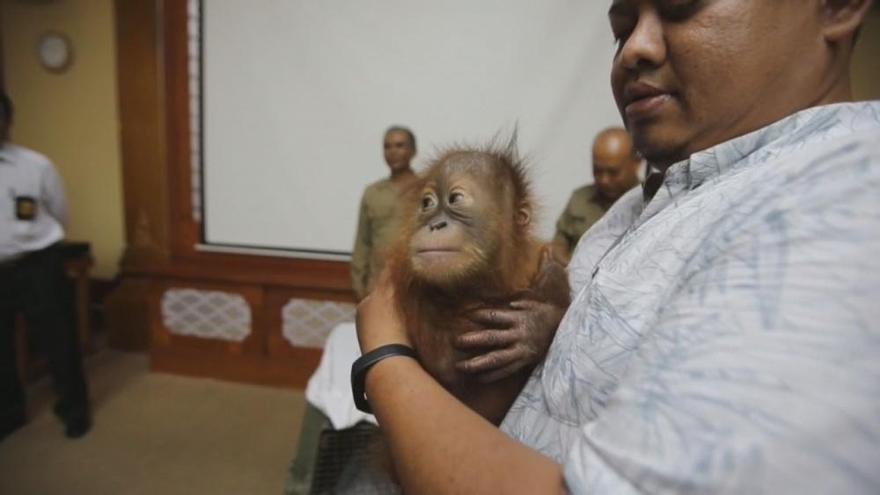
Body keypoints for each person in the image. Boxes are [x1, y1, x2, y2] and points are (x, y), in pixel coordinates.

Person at [355, 1, 880, 493]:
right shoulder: (641, 203)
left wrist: (384, 357)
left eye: (681, 5)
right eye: (621, 26)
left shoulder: (845, 197)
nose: (634, 49)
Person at [0, 91, 92, 440]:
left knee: (59, 340)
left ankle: (74, 409)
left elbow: (60, 213)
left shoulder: (35, 165)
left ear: (7, 120)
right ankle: (9, 413)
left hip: (38, 265)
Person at [552, 127, 641, 262]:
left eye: (613, 172)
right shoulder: (579, 199)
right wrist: (567, 266)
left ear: (636, 163)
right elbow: (559, 242)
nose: (604, 180)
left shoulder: (653, 202)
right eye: (597, 170)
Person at [350, 126, 418, 301]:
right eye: (387, 147)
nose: (392, 152)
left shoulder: (426, 189)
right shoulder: (372, 192)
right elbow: (362, 243)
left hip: (417, 288)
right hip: (377, 287)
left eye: (399, 145)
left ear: (413, 151)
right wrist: (360, 288)